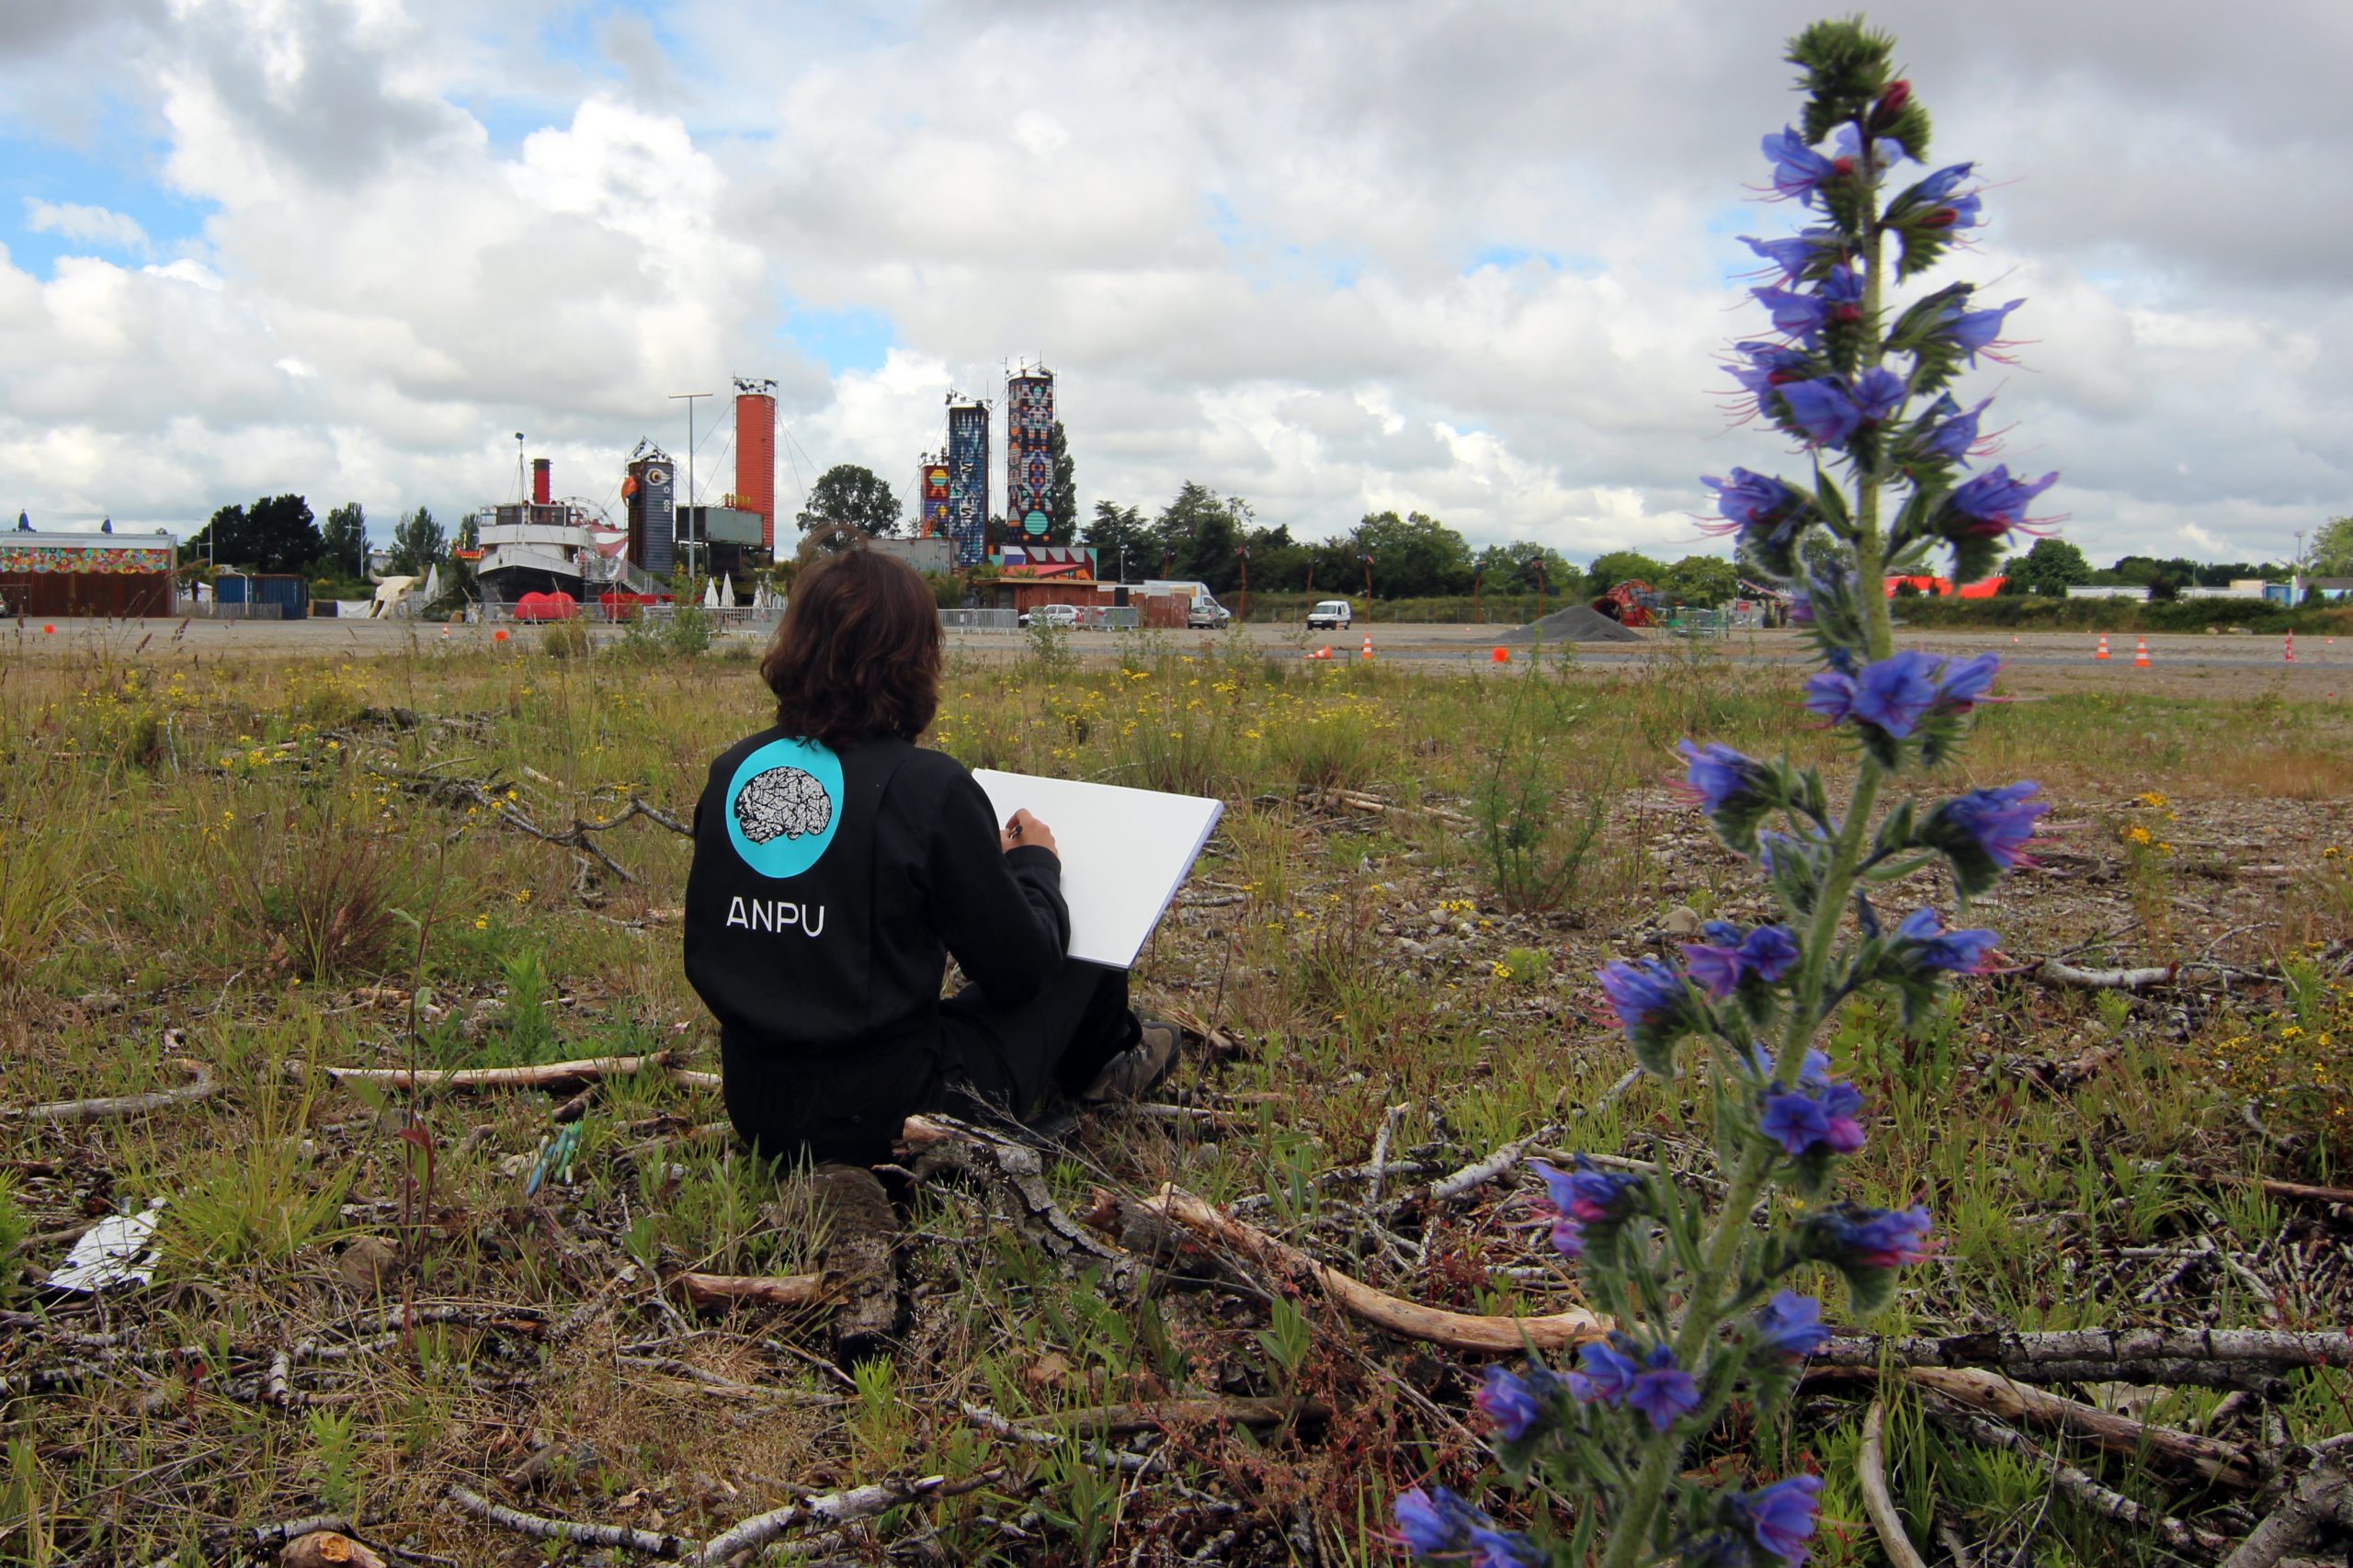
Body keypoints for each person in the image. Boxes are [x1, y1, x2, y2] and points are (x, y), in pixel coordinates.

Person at [683, 549, 1176, 1167]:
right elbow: (1020, 974)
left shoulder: (733, 771)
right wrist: (1034, 868)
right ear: (914, 659)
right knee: (1082, 936)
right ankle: (1103, 1066)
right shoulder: (927, 788)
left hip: (758, 1105)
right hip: (894, 1115)